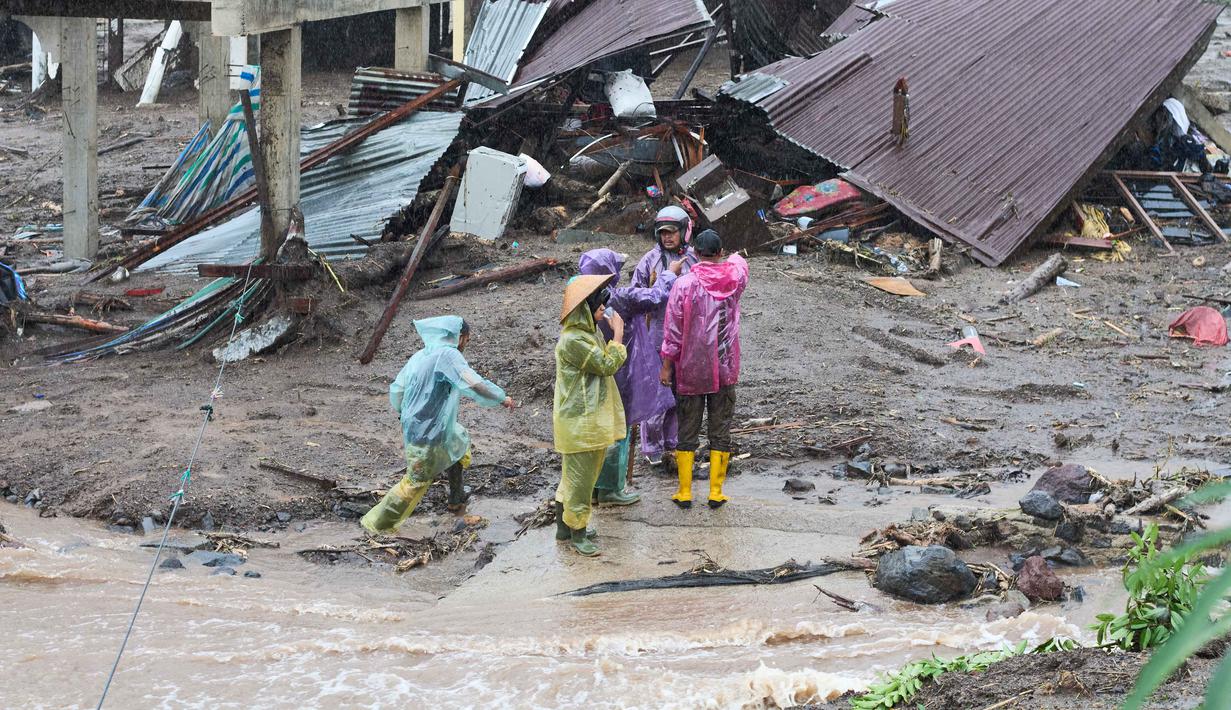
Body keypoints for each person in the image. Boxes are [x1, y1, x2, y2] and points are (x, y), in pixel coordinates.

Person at [361, 316, 515, 535]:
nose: (466, 344)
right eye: (467, 340)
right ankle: (375, 524)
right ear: (460, 337)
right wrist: (501, 398)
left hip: (425, 426)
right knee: (415, 481)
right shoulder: (448, 355)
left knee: (458, 442)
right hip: (428, 432)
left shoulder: (420, 355)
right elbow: (474, 383)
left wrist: (406, 414)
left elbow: (397, 389)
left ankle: (456, 498)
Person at [578, 248, 681, 506]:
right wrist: (669, 274)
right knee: (618, 431)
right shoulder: (618, 299)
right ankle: (611, 489)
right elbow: (656, 296)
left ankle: (593, 487)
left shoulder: (580, 301)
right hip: (621, 371)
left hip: (591, 373)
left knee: (598, 429)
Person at [659, 229, 749, 509]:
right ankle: (716, 492)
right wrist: (730, 257)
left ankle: (685, 491)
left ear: (695, 254)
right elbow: (740, 262)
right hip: (725, 366)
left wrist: (667, 366)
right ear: (720, 252)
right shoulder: (734, 278)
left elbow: (673, 331)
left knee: (687, 428)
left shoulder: (683, 284)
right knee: (720, 428)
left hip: (691, 368)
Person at [553, 274, 628, 556]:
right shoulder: (574, 341)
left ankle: (564, 528)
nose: (603, 310)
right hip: (580, 424)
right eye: (598, 306)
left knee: (573, 477)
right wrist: (618, 334)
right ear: (584, 309)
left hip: (585, 421)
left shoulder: (587, 334)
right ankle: (578, 533)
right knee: (581, 482)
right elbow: (607, 364)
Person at [631, 205, 698, 470]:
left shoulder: (694, 260)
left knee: (679, 394)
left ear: (684, 231)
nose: (667, 237)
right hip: (656, 336)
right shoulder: (650, 261)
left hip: (687, 338)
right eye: (663, 233)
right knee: (657, 395)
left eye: (672, 232)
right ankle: (652, 447)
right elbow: (636, 295)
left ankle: (672, 442)